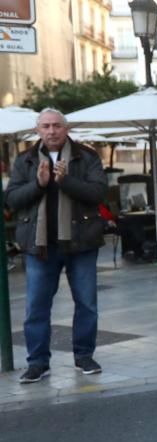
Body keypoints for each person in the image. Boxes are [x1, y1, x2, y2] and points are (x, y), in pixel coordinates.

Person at [5, 108, 108, 384]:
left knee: (86, 303)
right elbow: (12, 199)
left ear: (66, 128)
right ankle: (38, 362)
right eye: (46, 126)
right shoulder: (25, 159)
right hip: (40, 247)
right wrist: (39, 185)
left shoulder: (86, 156)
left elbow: (99, 193)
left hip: (81, 242)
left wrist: (67, 182)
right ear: (37, 130)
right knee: (36, 307)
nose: (51, 131)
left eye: (56, 126)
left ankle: (84, 355)